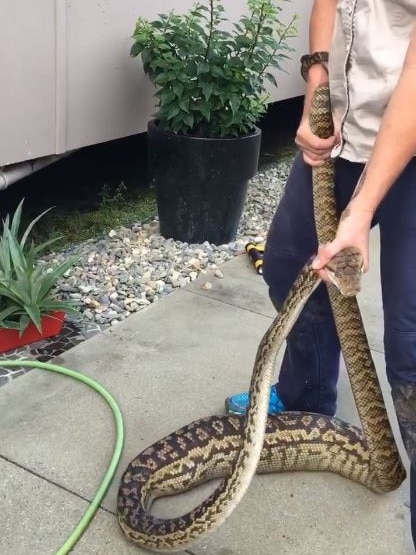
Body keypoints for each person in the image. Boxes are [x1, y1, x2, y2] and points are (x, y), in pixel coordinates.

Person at [225, 0, 416, 549]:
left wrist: (358, 213)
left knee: (410, 349)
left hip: (409, 139)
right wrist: (316, 82)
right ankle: (308, 398)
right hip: (346, 136)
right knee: (290, 264)